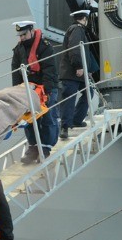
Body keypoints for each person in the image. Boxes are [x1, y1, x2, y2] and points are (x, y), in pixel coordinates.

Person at [11, 20, 59, 164]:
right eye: (20, 36)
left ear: (31, 31)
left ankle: (45, 147)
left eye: (24, 34)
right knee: (29, 119)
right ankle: (33, 147)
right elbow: (15, 72)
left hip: (45, 87)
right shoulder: (18, 49)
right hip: (28, 89)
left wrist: (48, 91)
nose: (22, 38)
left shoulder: (44, 47)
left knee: (48, 117)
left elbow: (50, 70)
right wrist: (17, 92)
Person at [59, 9, 98, 140]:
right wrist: (79, 66)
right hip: (72, 72)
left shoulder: (78, 30)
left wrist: (90, 68)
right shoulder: (77, 29)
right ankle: (64, 127)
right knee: (69, 97)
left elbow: (86, 52)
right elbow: (75, 49)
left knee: (89, 92)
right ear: (85, 19)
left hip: (79, 73)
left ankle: (76, 119)